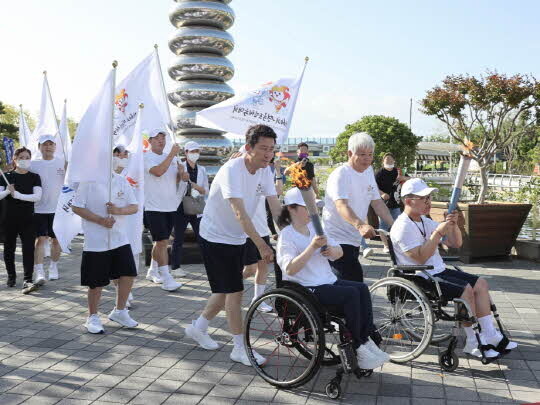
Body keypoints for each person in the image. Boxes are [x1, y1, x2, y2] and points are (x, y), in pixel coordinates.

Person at [185, 124, 281, 366]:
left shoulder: (266, 171)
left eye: (271, 149)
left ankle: (199, 327)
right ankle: (239, 348)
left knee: (227, 287)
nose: (268, 154)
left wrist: (291, 234)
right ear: (248, 148)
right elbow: (240, 214)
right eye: (263, 148)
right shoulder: (232, 170)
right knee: (234, 293)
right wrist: (262, 245)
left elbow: (276, 207)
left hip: (238, 236)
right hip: (216, 237)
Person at [390, 178, 517, 358]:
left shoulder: (424, 221)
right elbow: (420, 257)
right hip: (420, 274)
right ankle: (473, 342)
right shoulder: (401, 227)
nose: (429, 202)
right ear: (409, 201)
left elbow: (455, 243)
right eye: (424, 198)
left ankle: (489, 334)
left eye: (429, 197)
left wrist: (453, 225)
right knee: (466, 290)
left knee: (480, 284)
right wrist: (439, 232)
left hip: (437, 270)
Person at [277, 188, 390, 370]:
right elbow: (289, 267)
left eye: (315, 207)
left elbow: (339, 252)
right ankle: (358, 346)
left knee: (361, 289)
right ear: (291, 208)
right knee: (351, 294)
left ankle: (367, 337)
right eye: (308, 207)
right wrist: (312, 247)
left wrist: (332, 251)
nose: (314, 211)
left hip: (326, 280)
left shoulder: (316, 227)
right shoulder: (287, 235)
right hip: (305, 286)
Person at [322, 133, 395, 282]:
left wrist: (395, 226)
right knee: (351, 284)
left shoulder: (368, 171)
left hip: (354, 239)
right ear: (350, 153)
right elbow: (341, 205)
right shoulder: (341, 174)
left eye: (370, 154)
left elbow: (377, 203)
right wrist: (360, 225)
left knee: (351, 285)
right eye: (362, 154)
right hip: (336, 239)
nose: (367, 158)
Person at [72, 172, 139, 333]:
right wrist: (100, 220)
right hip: (96, 241)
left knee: (128, 274)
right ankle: (92, 317)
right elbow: (77, 207)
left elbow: (134, 206)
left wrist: (118, 211)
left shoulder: (121, 180)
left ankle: (120, 311)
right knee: (96, 282)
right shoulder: (87, 180)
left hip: (120, 239)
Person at [143, 129, 183, 291]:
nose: (161, 140)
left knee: (160, 242)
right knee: (162, 242)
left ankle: (153, 270)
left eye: (163, 137)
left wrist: (181, 174)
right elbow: (158, 172)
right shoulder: (146, 157)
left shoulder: (171, 158)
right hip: (154, 207)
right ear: (150, 141)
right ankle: (166, 278)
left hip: (170, 206)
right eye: (156, 138)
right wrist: (172, 155)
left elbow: (174, 180)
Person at [0, 147, 42, 293]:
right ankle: (11, 276)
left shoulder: (34, 177)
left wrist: (18, 195)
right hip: (8, 219)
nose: (24, 160)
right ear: (15, 159)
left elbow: (37, 197)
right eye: (21, 157)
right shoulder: (6, 176)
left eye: (27, 157)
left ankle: (27, 279)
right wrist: (7, 191)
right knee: (9, 248)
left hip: (28, 219)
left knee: (29, 249)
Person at [31, 135, 66, 283]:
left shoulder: (62, 163)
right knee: (40, 240)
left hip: (57, 209)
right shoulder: (32, 164)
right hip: (38, 209)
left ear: (55, 147)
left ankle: (53, 266)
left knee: (56, 241)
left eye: (51, 144)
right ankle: (39, 272)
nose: (48, 147)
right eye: (44, 144)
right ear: (39, 147)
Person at [170, 141, 209, 276]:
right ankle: (175, 267)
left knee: (202, 236)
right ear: (185, 153)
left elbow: (205, 190)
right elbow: (172, 185)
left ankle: (210, 263)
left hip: (196, 205)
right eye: (192, 151)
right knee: (178, 238)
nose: (195, 154)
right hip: (181, 207)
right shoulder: (179, 167)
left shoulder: (202, 170)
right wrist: (181, 176)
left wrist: (194, 185)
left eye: (197, 151)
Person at [375, 153, 409, 253]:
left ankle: (396, 245)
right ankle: (386, 246)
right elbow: (373, 187)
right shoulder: (379, 173)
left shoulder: (398, 171)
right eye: (387, 161)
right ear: (383, 162)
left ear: (394, 161)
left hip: (396, 203)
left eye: (391, 160)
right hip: (383, 204)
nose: (389, 162)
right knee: (383, 226)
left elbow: (412, 180)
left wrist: (403, 178)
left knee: (397, 225)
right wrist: (382, 193)